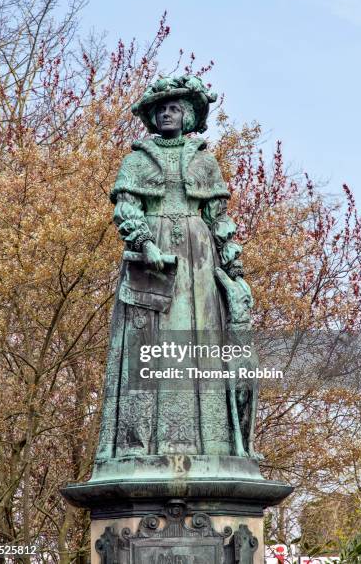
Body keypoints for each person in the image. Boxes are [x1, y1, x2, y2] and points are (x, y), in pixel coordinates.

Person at [94, 75, 257, 466]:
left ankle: (211, 448)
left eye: (175, 108)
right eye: (161, 108)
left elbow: (219, 219)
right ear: (152, 116)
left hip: (199, 262)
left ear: (188, 116)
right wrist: (145, 244)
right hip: (151, 259)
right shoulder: (136, 160)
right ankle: (140, 447)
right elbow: (126, 209)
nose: (167, 113)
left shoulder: (204, 161)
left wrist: (232, 268)